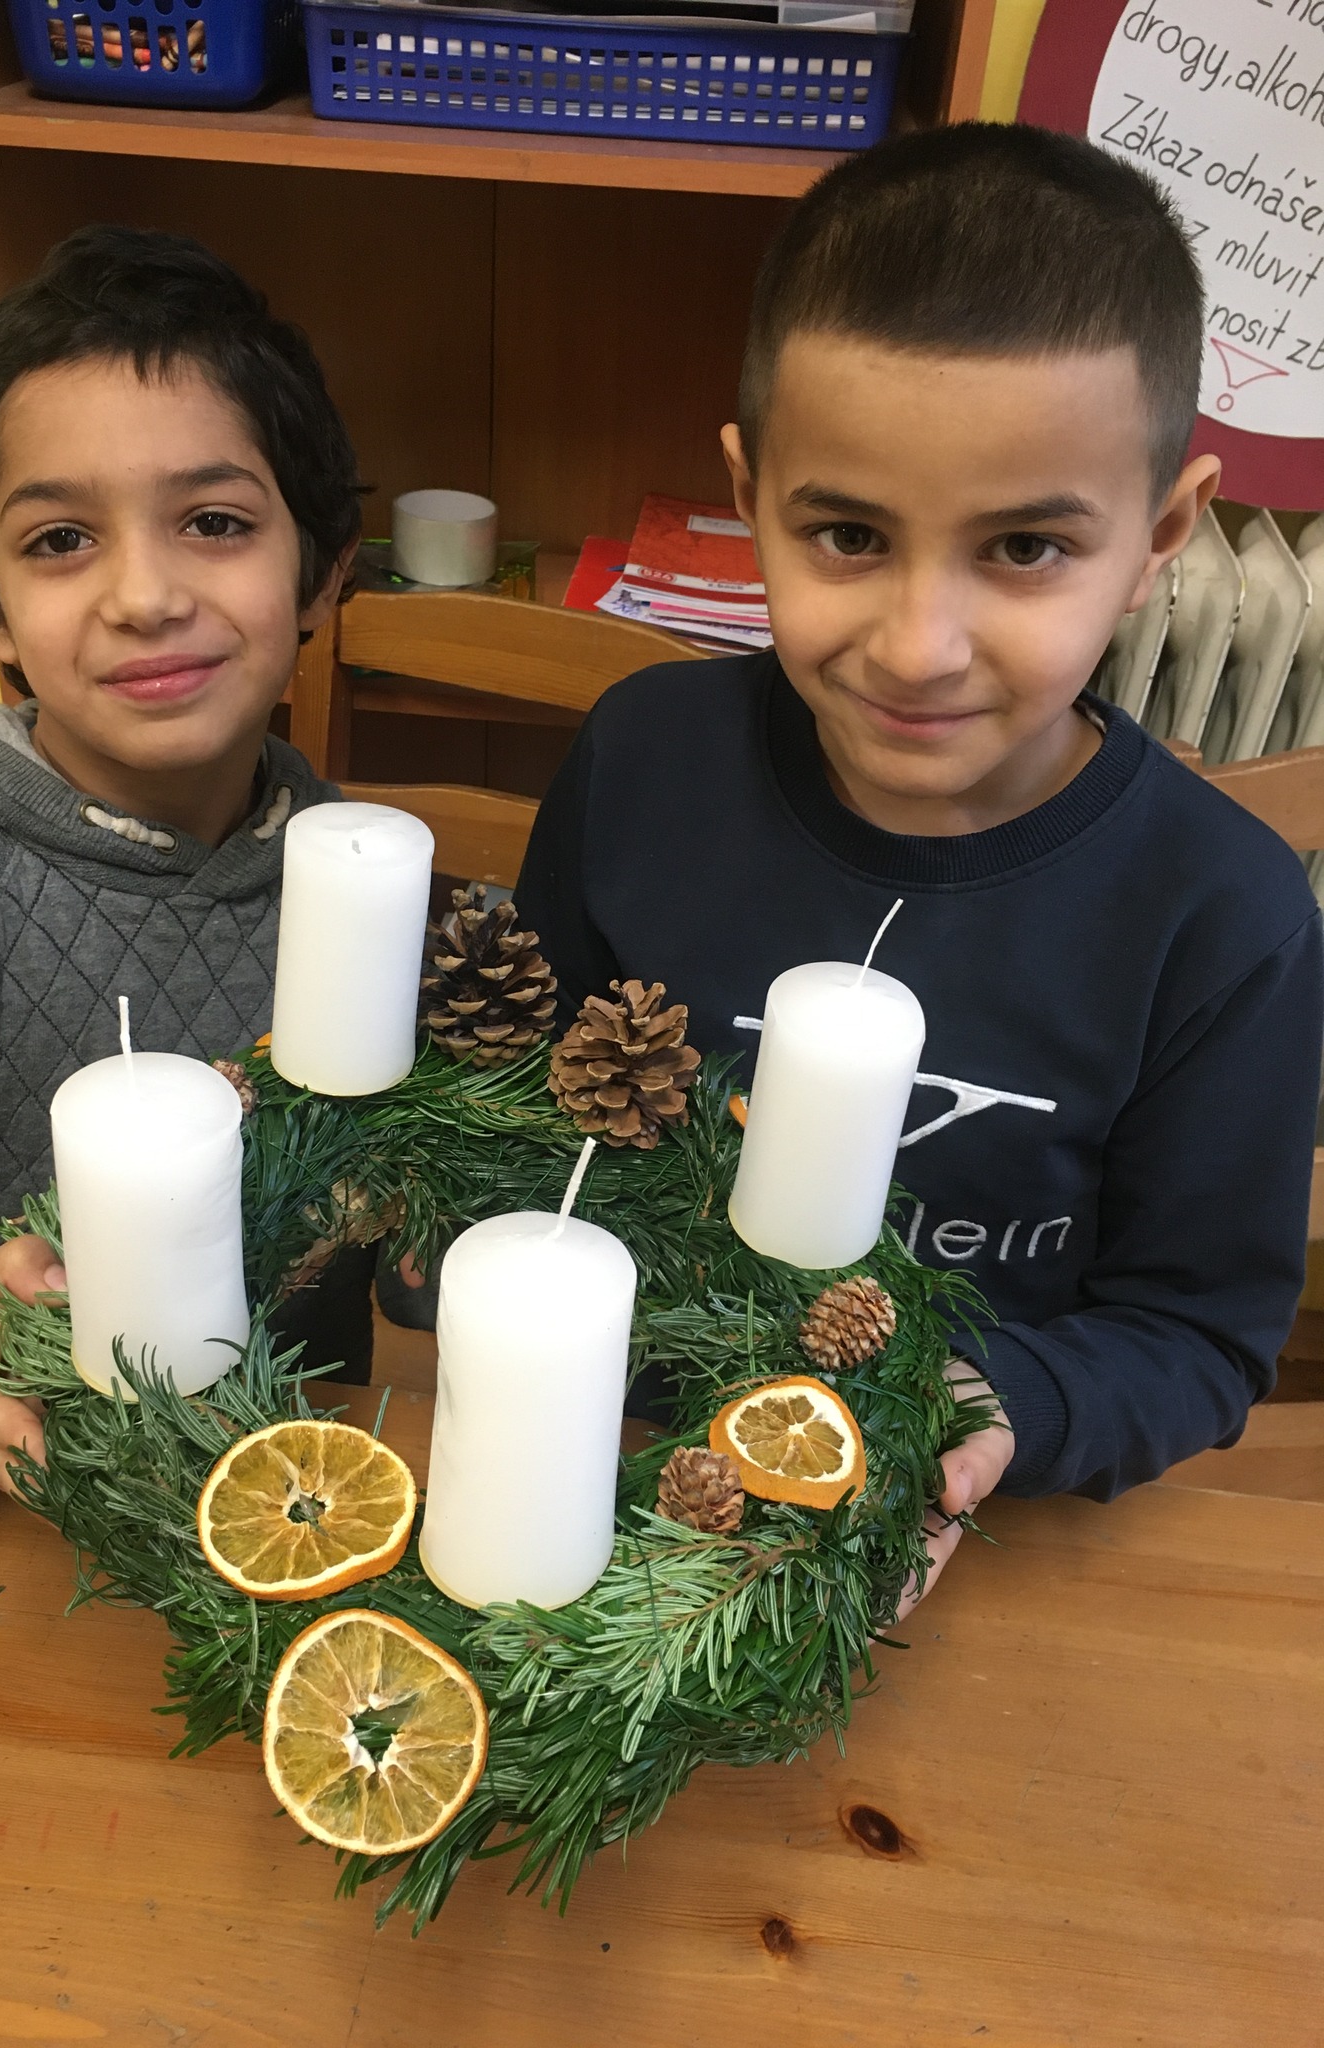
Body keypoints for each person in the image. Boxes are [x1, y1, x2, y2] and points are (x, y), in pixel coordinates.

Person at [516, 123, 1324, 1598]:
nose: (918, 645)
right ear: (750, 495)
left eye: (1023, 550)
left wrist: (993, 1414)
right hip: (594, 1476)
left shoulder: (1225, 919)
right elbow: (516, 1119)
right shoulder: (641, 763)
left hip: (991, 1557)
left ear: (1159, 537)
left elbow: (1199, 1338)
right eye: (845, 534)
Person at [0, 226, 367, 1494]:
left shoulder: (374, 896)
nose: (144, 594)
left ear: (321, 571)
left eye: (213, 521)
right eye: (60, 540)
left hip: (309, 1537)